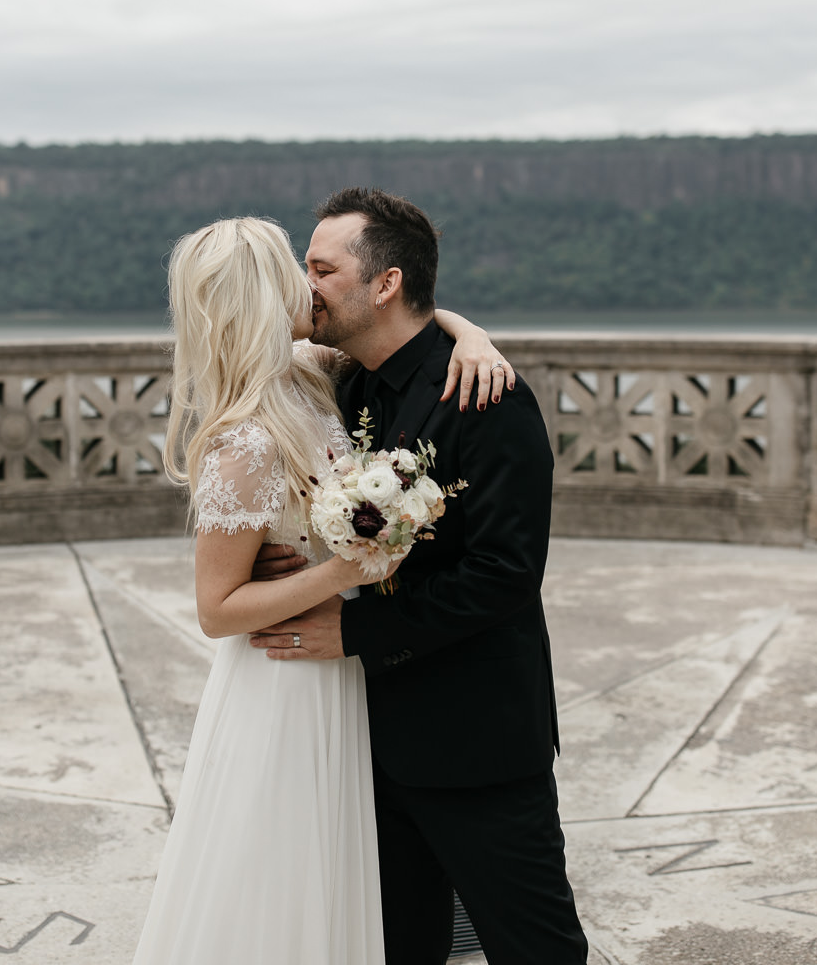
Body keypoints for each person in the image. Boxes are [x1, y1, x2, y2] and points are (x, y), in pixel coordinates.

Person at [130, 215, 515, 965]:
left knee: (344, 881)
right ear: (263, 295)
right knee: (280, 879)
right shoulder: (244, 441)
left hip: (345, 670)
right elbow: (216, 610)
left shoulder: (310, 374)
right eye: (295, 268)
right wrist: (343, 570)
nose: (310, 283)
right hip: (285, 681)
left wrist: (470, 335)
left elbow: (402, 320)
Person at [250, 188, 588, 965]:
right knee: (398, 948)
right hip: (364, 736)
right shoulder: (345, 383)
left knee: (536, 948)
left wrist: (355, 629)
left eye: (322, 269)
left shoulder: (487, 396)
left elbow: (506, 574)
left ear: (387, 283)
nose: (306, 286)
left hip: (475, 739)